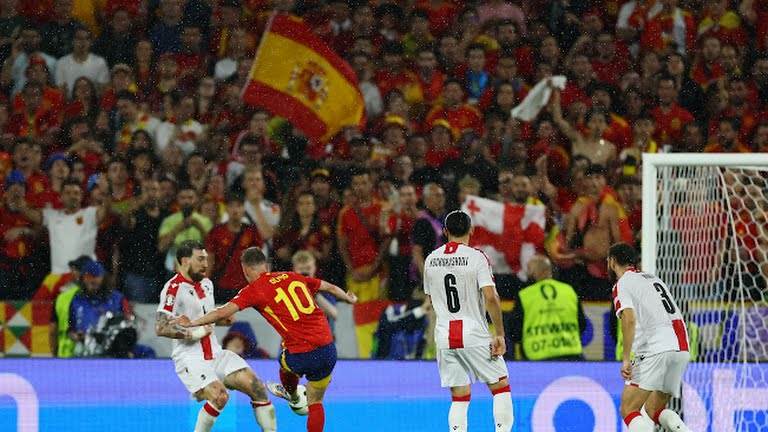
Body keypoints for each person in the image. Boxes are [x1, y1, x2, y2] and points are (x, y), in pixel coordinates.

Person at [182, 246, 358, 432]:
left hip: (301, 354)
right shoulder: (292, 276)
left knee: (283, 358)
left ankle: (292, 395)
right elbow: (329, 287)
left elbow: (221, 312)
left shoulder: (254, 290)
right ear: (265, 265)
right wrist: (348, 298)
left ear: (245, 270)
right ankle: (298, 399)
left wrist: (193, 323)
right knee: (316, 402)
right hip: (328, 350)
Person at [154, 241, 277, 432]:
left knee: (257, 387)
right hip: (190, 358)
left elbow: (204, 318)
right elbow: (161, 327)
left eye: (206, 259)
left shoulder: (207, 284)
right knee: (220, 396)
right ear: (185, 261)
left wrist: (221, 320)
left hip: (216, 353)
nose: (206, 263)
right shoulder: (173, 288)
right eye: (200, 259)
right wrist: (193, 333)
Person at [423, 210, 513, 432]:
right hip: (473, 333)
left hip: (444, 335)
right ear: (471, 229)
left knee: (459, 396)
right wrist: (499, 334)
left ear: (445, 231)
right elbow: (491, 297)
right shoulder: (477, 257)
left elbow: (432, 299)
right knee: (500, 386)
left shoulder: (431, 259)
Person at [609, 242, 692, 432]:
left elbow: (629, 319)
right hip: (681, 349)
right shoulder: (654, 279)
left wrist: (626, 359)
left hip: (656, 349)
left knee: (629, 409)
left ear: (612, 262)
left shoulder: (623, 283)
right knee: (654, 410)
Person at [510, 255, 585, 360]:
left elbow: (515, 331)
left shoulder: (525, 295)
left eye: (529, 270)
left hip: (537, 358)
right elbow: (581, 324)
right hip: (570, 355)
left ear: (534, 272)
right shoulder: (569, 291)